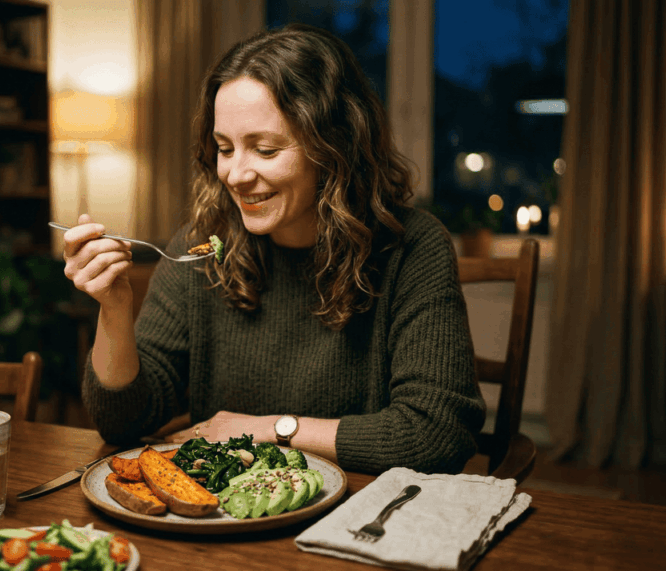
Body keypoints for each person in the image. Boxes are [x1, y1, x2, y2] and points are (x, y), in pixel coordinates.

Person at [58, 23, 485, 475]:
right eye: (224, 148)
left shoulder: (413, 248)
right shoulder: (200, 249)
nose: (236, 175)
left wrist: (268, 429)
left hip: (361, 515)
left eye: (263, 150)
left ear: (333, 146)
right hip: (223, 520)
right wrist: (115, 308)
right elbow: (122, 420)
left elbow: (438, 432)